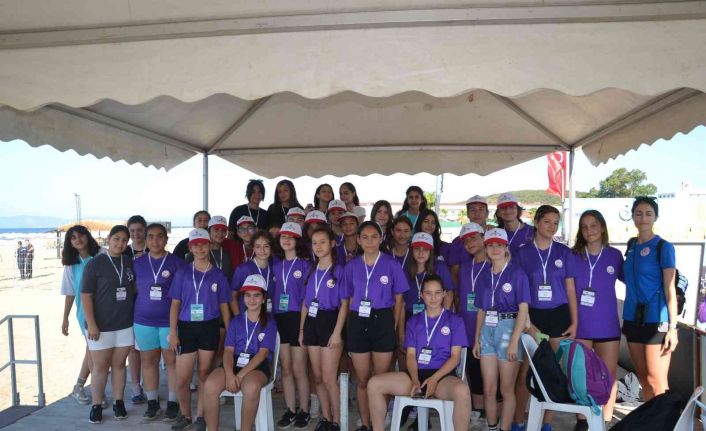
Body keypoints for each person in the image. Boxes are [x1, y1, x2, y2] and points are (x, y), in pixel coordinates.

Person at [368, 274, 470, 431]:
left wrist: (434, 379)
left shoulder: (455, 320)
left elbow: (455, 357)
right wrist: (415, 380)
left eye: (437, 293)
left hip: (442, 377)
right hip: (415, 374)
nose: (433, 298)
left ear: (444, 294)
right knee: (374, 384)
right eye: (428, 293)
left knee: (462, 391)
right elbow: (410, 355)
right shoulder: (413, 321)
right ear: (422, 295)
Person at [513, 205, 576, 431]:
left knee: (555, 370)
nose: (552, 226)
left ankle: (546, 423)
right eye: (547, 221)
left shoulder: (564, 252)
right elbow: (518, 290)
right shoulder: (522, 253)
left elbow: (570, 289)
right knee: (526, 371)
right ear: (536, 222)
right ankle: (518, 421)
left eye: (555, 222)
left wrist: (574, 321)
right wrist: (527, 323)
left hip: (559, 314)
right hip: (533, 315)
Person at [343, 221, 410, 431]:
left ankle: (379, 421)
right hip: (358, 320)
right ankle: (365, 423)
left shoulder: (391, 264)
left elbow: (399, 299)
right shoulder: (351, 266)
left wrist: (393, 325)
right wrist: (348, 327)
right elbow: (348, 299)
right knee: (363, 379)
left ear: (381, 239)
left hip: (383, 320)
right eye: (365, 237)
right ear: (358, 240)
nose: (370, 241)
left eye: (374, 236)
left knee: (381, 379)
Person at [168, 228, 232, 430]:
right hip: (186, 327)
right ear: (190, 248)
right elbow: (175, 304)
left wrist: (230, 331)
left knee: (204, 373)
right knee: (182, 379)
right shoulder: (182, 272)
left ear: (209, 245)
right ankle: (185, 415)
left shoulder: (218, 275)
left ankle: (201, 417)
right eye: (195, 245)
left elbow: (224, 305)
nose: (200, 248)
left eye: (204, 244)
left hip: (209, 327)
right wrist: (173, 333)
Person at [567, 210, 624, 428]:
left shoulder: (614, 255)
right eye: (584, 227)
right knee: (580, 377)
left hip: (607, 325)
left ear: (602, 227)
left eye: (593, 225)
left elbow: (636, 280)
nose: (589, 230)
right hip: (581, 325)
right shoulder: (574, 255)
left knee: (607, 377)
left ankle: (603, 423)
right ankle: (582, 422)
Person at [203, 274, 278, 431]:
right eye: (248, 295)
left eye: (256, 295)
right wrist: (229, 374)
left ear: (263, 298)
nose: (252, 300)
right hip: (234, 361)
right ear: (243, 298)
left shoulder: (269, 323)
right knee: (210, 385)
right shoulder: (236, 321)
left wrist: (240, 376)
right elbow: (228, 350)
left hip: (257, 364)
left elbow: (262, 354)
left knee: (251, 387)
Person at [473, 228, 530, 431]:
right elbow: (481, 310)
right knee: (489, 389)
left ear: (506, 247)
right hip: (487, 331)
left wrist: (514, 341)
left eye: (499, 245)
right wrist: (476, 339)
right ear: (486, 249)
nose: (495, 248)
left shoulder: (517, 273)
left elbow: (523, 309)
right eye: (490, 245)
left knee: (506, 389)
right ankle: (492, 427)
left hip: (508, 328)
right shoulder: (483, 275)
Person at [622, 197, 678, 401]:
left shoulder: (664, 247)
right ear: (632, 216)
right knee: (643, 378)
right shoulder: (631, 245)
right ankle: (650, 417)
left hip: (657, 320)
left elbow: (670, 288)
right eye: (638, 213)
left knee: (657, 381)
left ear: (655, 217)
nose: (643, 218)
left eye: (648, 213)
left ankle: (664, 418)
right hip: (632, 317)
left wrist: (672, 328)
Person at [81, 225, 136, 424]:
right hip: (100, 326)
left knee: (120, 365)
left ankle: (118, 402)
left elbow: (133, 289)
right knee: (100, 367)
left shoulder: (128, 262)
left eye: (124, 240)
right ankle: (96, 405)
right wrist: (92, 324)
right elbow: (86, 295)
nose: (120, 243)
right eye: (116, 239)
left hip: (124, 324)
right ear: (109, 239)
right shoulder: (95, 263)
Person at [132, 223, 184, 421]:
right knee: (148, 362)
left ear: (166, 239)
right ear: (145, 240)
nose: (155, 240)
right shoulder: (137, 263)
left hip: (169, 322)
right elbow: (133, 290)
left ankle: (173, 402)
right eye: (151, 236)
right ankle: (152, 402)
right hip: (143, 321)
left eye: (160, 236)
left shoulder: (177, 263)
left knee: (172, 362)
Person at [299, 227, 348, 431]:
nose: (318, 246)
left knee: (329, 377)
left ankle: (337, 420)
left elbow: (344, 304)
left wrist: (337, 333)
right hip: (312, 322)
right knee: (317, 377)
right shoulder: (311, 270)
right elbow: (305, 304)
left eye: (323, 242)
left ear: (332, 244)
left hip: (330, 321)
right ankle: (326, 417)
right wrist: (302, 330)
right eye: (315, 243)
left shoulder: (339, 271)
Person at [271, 222, 313, 428]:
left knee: (299, 369)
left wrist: (303, 328)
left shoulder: (305, 265)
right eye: (283, 236)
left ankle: (304, 410)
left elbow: (307, 299)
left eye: (291, 237)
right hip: (280, 319)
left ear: (297, 240)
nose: (286, 240)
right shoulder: (276, 265)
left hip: (298, 319)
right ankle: (290, 409)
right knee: (286, 369)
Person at [60, 225, 102, 406]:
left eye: (81, 235)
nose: (78, 240)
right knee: (93, 349)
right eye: (73, 237)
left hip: (106, 310)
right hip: (84, 313)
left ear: (87, 236)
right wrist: (65, 317)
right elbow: (70, 292)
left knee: (94, 350)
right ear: (70, 243)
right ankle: (95, 393)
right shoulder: (71, 265)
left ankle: (80, 387)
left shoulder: (101, 255)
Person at [455, 223, 489, 423]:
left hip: (489, 329)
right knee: (473, 371)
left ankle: (492, 413)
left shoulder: (494, 265)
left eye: (474, 238)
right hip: (467, 327)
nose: (470, 242)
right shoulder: (465, 268)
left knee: (490, 373)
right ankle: (478, 410)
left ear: (484, 238)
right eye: (466, 240)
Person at [123, 214, 148, 403]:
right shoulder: (124, 252)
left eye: (139, 230)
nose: (136, 234)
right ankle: (135, 387)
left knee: (147, 349)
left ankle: (148, 385)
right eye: (132, 230)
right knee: (132, 348)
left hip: (149, 304)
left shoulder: (154, 248)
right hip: (128, 303)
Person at [448, 195, 491, 283]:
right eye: (472, 210)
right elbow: (455, 272)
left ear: (487, 213)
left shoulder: (496, 235)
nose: (477, 213)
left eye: (481, 209)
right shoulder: (457, 241)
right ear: (467, 214)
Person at [231, 231, 275, 316]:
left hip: (269, 317)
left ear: (271, 248)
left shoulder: (275, 268)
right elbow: (233, 296)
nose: (262, 250)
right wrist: (239, 318)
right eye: (258, 246)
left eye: (266, 246)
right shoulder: (243, 269)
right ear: (253, 248)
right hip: (247, 318)